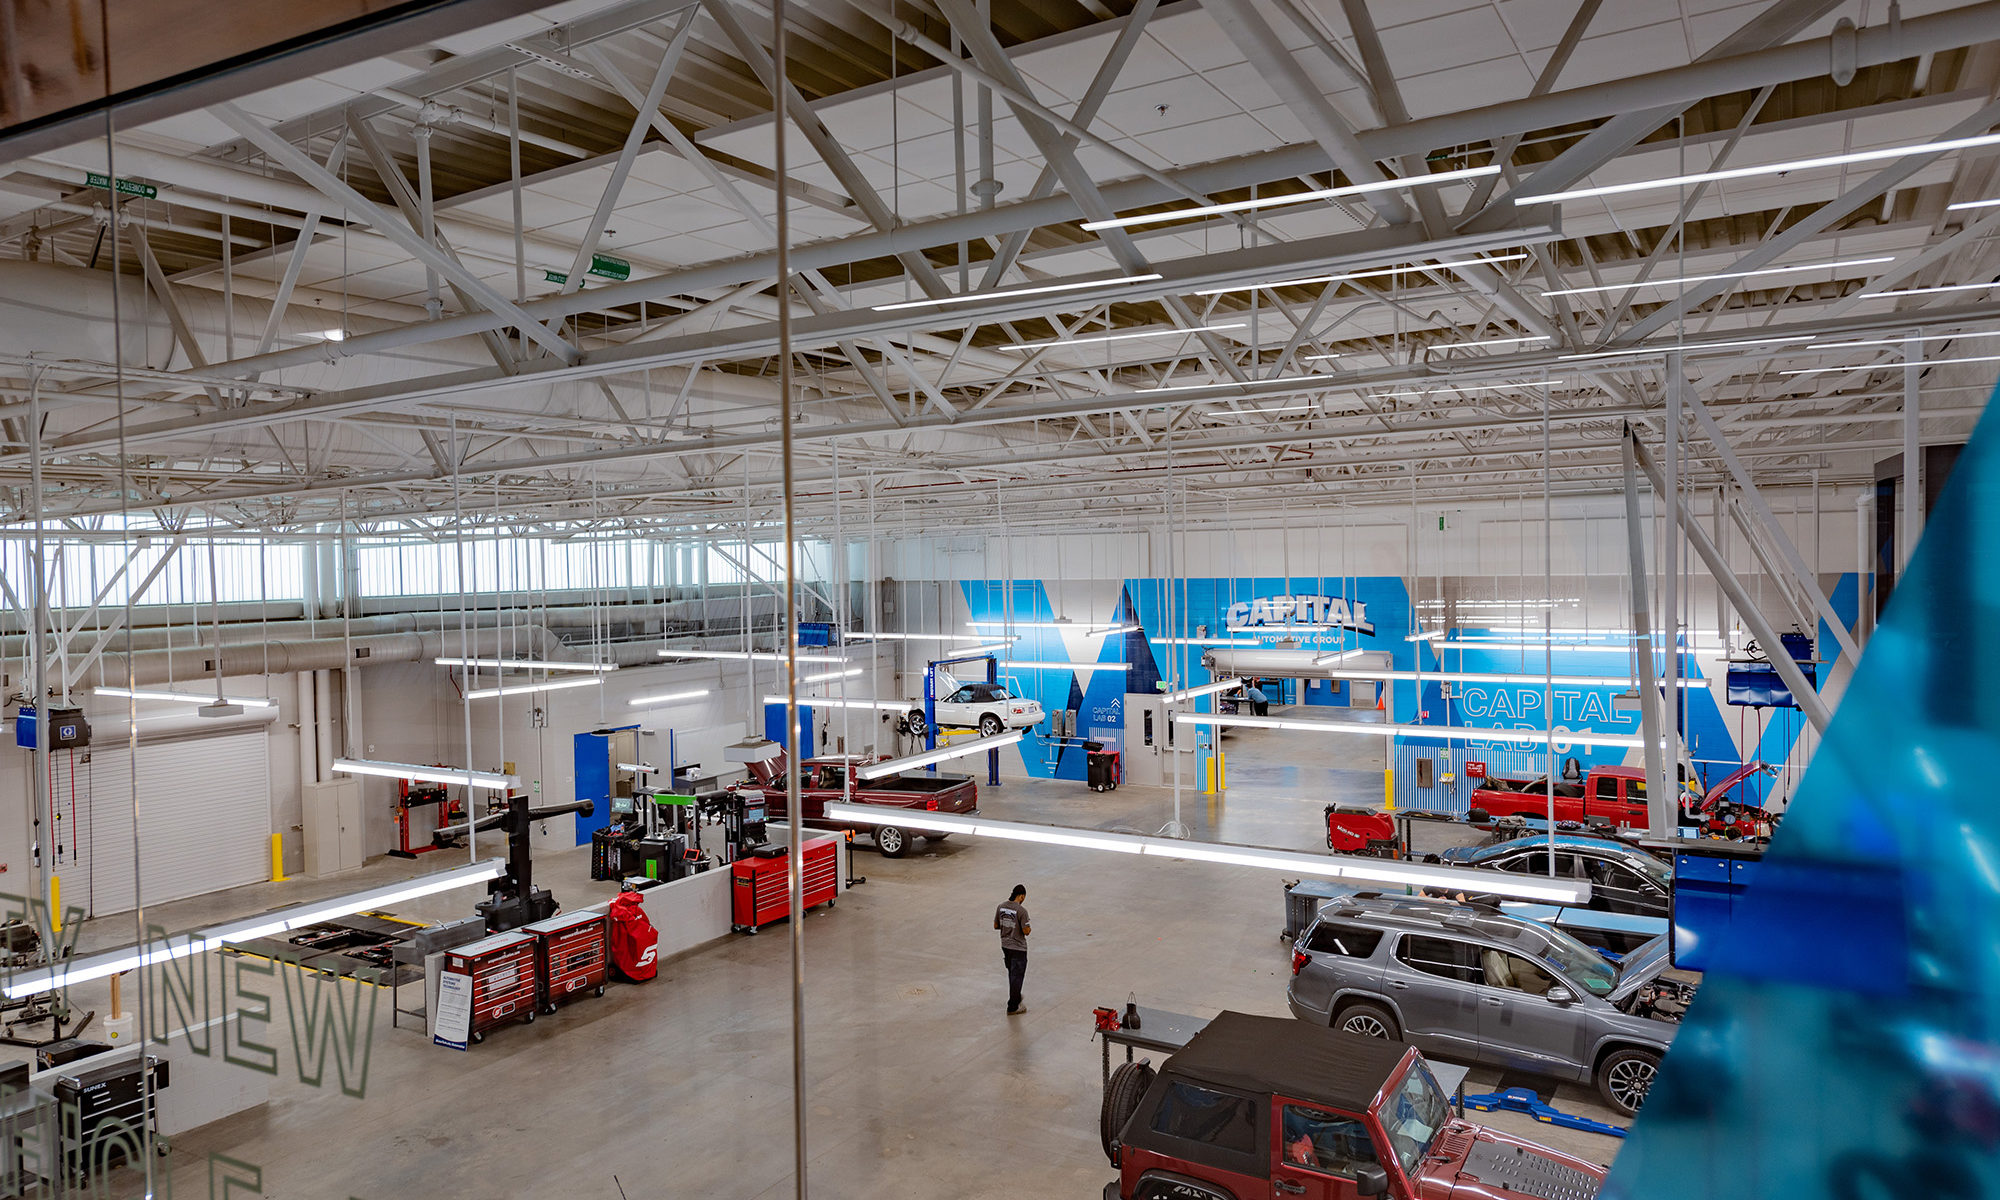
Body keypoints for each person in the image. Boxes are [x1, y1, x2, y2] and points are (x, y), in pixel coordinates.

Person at [994, 884, 1031, 1015]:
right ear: (1021, 896)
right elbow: (1026, 931)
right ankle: (1013, 1006)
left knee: (1012, 974)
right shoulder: (1022, 911)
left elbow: (996, 925)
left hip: (1005, 946)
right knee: (1017, 976)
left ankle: (1015, 996)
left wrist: (1008, 927)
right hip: (1018, 948)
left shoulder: (1001, 907)